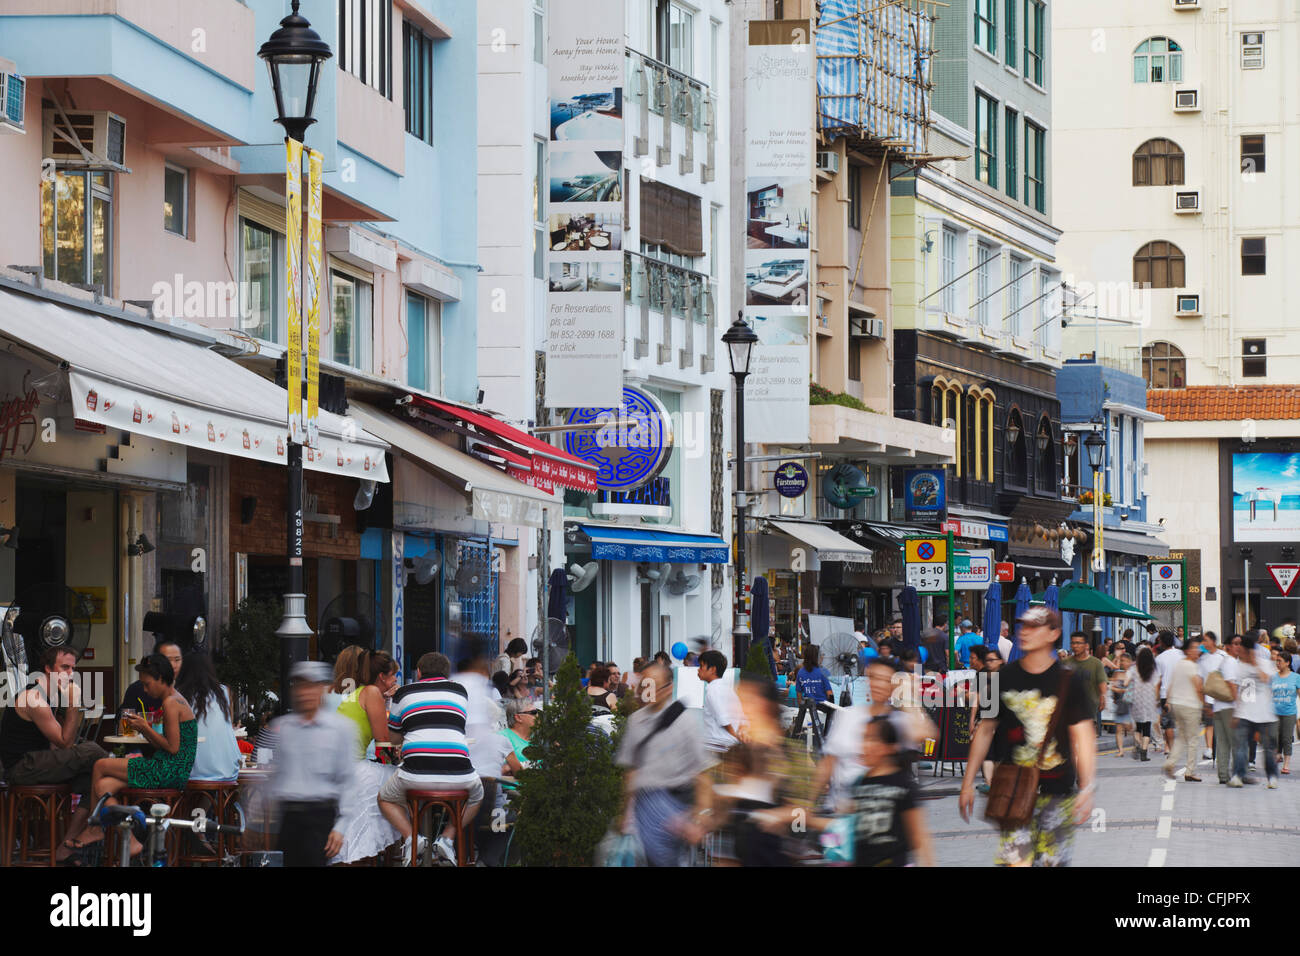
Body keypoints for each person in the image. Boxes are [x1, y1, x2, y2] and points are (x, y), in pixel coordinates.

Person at [960, 606, 1096, 867]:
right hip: (1013, 790)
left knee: (1052, 863)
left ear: (1053, 633)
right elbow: (985, 729)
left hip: (1058, 792)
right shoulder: (1000, 678)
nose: (1025, 632)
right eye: (1024, 625)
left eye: (1035, 626)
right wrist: (967, 783)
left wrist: (1087, 787)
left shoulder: (1071, 679)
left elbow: (1084, 737)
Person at [1, 646, 109, 863]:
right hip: (22, 768)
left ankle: (68, 845)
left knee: (98, 781)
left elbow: (59, 746)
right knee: (95, 751)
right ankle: (99, 827)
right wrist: (73, 704)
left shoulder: (51, 697)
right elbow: (64, 742)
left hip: (39, 762)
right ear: (48, 669)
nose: (70, 674)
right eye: (64, 667)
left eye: (73, 669)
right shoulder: (34, 698)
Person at [85, 653, 198, 857]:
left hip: (168, 771)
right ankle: (132, 840)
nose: (145, 690)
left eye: (147, 684)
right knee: (103, 786)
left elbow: (172, 748)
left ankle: (94, 830)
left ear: (160, 679)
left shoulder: (171, 703)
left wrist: (145, 727)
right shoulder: (177, 699)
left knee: (100, 765)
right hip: (172, 769)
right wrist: (145, 729)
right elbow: (165, 746)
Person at [378, 652, 485, 865]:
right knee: (477, 796)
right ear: (447, 674)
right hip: (460, 775)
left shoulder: (404, 693)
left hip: (414, 775)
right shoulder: (459, 691)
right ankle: (447, 838)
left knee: (385, 798)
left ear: (418, 672)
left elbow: (393, 736)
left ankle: (412, 838)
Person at [259, 661, 358, 867]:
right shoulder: (282, 728)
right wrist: (256, 822)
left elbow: (348, 780)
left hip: (320, 815)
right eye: (300, 686)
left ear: (323, 689)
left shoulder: (341, 729)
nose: (306, 692)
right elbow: (271, 778)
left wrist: (341, 826)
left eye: (312, 686)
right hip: (289, 816)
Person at [614, 663, 712, 867]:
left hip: (676, 810)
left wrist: (700, 817)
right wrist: (624, 813)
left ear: (669, 688)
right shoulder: (635, 721)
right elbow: (631, 770)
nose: (648, 691)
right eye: (644, 685)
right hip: (643, 812)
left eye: (654, 685)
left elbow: (702, 773)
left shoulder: (687, 722)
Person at [815, 656, 935, 808]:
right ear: (868, 680)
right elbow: (828, 764)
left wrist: (905, 695)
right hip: (842, 810)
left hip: (885, 811)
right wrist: (806, 803)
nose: (879, 685)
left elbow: (927, 732)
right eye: (875, 678)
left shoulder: (899, 720)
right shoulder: (847, 715)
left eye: (886, 680)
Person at [328, 649, 401, 864]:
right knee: (404, 783)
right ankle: (414, 843)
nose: (396, 679)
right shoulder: (371, 693)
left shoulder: (360, 692)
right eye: (394, 674)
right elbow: (384, 743)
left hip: (337, 768)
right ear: (382, 677)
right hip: (350, 769)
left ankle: (405, 845)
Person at [838, 718, 933, 867]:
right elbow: (848, 826)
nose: (864, 745)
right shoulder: (859, 783)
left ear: (890, 747)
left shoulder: (903, 784)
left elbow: (918, 836)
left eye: (871, 739)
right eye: (863, 739)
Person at [176, 651, 241, 783]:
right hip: (229, 769)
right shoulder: (224, 692)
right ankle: (213, 804)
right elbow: (229, 724)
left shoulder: (178, 695)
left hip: (193, 772)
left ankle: (189, 804)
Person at [1228, 633, 1278, 788]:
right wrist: (1236, 713)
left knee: (1268, 749)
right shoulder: (1238, 666)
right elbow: (1238, 691)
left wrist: (1254, 663)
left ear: (1250, 650)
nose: (1240, 653)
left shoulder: (1264, 663)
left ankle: (1272, 777)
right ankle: (1238, 775)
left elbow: (1266, 680)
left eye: (1242, 650)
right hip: (1245, 713)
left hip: (1264, 715)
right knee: (1241, 746)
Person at [1163, 636, 1205, 781]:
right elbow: (1198, 687)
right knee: (1193, 739)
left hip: (1177, 704)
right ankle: (1190, 771)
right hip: (1190, 705)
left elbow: (1171, 684)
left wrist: (1168, 701)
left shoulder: (1179, 664)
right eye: (1194, 648)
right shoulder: (1192, 666)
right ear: (1187, 650)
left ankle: (1170, 762)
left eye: (1198, 647)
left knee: (1181, 736)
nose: (1197, 650)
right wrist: (1203, 704)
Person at [698, 649, 745, 756]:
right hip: (726, 745)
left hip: (719, 746)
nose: (698, 670)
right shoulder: (727, 688)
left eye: (701, 666)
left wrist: (736, 739)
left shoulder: (713, 691)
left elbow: (724, 720)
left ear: (712, 670)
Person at [118, 639, 183, 716]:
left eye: (177, 659)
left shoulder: (185, 691)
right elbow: (124, 722)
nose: (173, 665)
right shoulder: (135, 689)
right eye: (167, 659)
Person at [1064, 631, 1108, 730]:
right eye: (1073, 643)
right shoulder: (1066, 663)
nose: (1075, 646)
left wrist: (1103, 696)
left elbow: (1102, 681)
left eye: (1078, 643)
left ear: (1086, 645)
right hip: (1069, 707)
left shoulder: (1096, 663)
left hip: (1089, 707)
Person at [793, 644, 835, 739]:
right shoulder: (823, 672)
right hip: (822, 708)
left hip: (807, 709)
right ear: (817, 657)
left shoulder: (800, 672)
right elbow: (829, 694)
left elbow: (799, 695)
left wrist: (802, 710)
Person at [1128, 646, 1161, 761]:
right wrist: (1157, 700)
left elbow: (1127, 682)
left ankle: (1138, 744)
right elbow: (1157, 686)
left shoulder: (1133, 669)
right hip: (1149, 701)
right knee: (1147, 727)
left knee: (1138, 727)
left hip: (1137, 700)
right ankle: (1144, 751)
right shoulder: (1153, 670)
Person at [1270, 647, 1300, 774]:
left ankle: (1286, 764)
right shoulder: (1273, 677)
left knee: (1287, 739)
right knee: (1274, 737)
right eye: (1276, 661)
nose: (1277, 663)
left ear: (1287, 663)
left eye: (1280, 661)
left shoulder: (1295, 677)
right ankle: (1276, 755)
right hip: (1275, 712)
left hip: (1289, 712)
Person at [1154, 631, 1180, 754]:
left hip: (1166, 695)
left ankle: (1171, 747)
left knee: (1168, 725)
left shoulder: (1159, 658)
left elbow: (1157, 680)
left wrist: (1155, 698)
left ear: (1162, 642)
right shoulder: (1182, 655)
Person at [1108, 651, 1134, 757]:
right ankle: (1121, 750)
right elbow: (1112, 686)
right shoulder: (1117, 673)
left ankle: (1138, 744)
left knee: (1129, 727)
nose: (1123, 663)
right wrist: (1117, 690)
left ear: (1130, 662)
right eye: (1122, 661)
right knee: (1119, 728)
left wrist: (1118, 689)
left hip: (1130, 704)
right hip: (1119, 703)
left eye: (1125, 661)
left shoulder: (1133, 673)